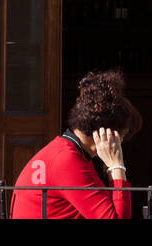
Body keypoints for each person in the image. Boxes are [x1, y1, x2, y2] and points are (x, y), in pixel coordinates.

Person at [10, 68, 142, 218]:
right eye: (122, 136)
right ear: (107, 133)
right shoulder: (67, 161)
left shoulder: (69, 153)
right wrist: (117, 166)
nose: (120, 143)